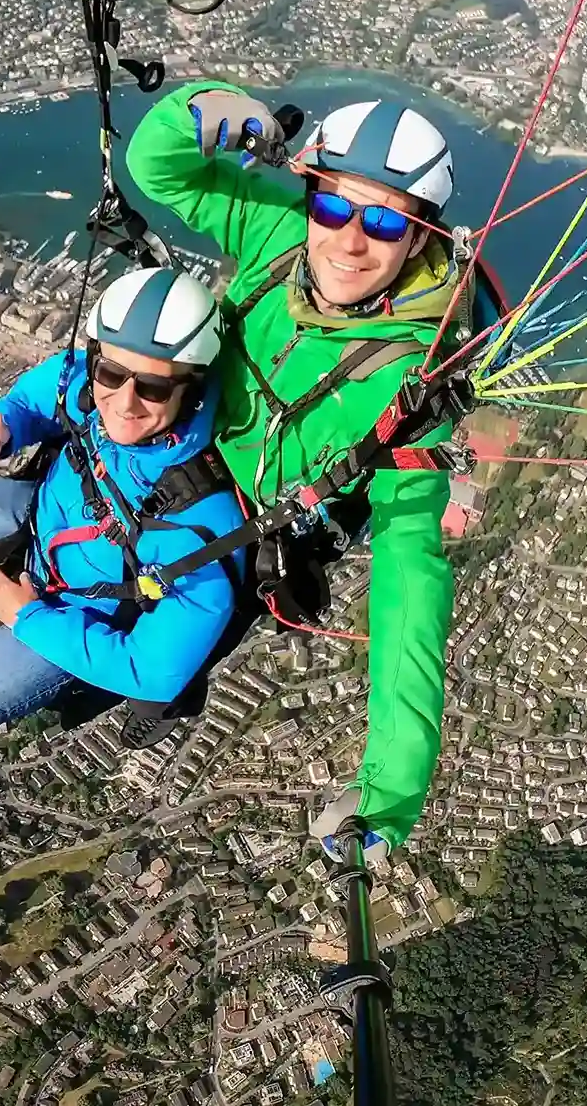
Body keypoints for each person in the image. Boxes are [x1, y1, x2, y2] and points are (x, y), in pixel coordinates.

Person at [122, 83, 477, 850]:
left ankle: (158, 695)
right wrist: (198, 108)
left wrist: (391, 787)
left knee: (135, 679)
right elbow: (157, 169)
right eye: (333, 207)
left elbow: (409, 583)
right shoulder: (278, 231)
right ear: (309, 197)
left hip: (249, 533)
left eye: (385, 221)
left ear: (420, 238)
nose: (350, 241)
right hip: (175, 459)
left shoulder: (411, 383)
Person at [0, 266, 249, 840]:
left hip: (80, 611)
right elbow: (42, 390)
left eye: (154, 388)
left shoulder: (202, 527)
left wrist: (26, 617)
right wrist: (0, 427)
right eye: (112, 374)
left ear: (193, 389)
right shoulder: (90, 387)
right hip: (36, 521)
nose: (124, 402)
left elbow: (153, 671)